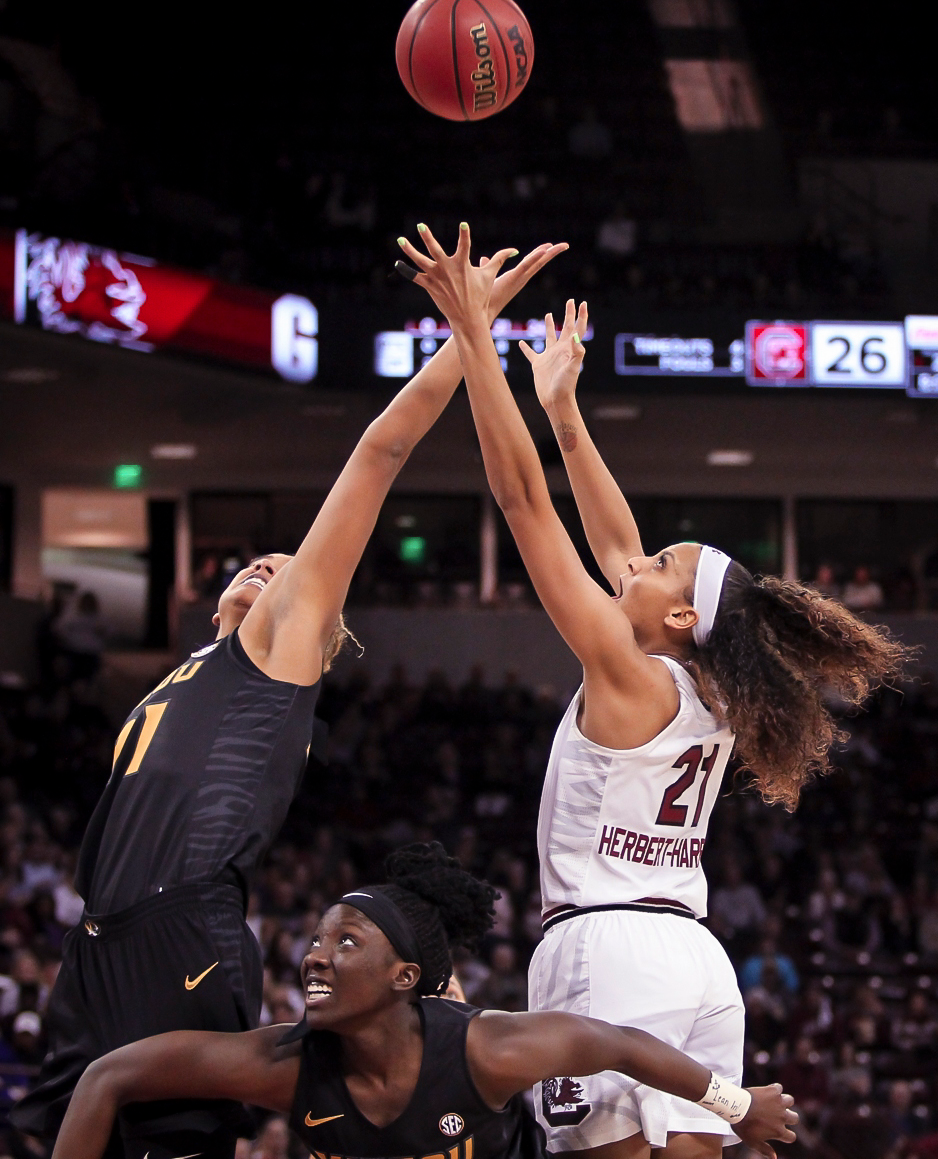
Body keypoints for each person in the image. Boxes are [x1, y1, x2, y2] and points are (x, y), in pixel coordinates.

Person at [13, 241, 569, 1159]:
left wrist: (468, 328)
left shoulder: (278, 653)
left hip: (179, 923)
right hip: (100, 935)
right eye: (260, 563)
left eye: (288, 571)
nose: (271, 569)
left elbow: (378, 452)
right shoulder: (189, 668)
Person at [398, 224, 909, 1159]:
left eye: (662, 566)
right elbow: (617, 547)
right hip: (693, 962)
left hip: (608, 959)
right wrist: (562, 410)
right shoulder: (709, 690)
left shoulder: (629, 673)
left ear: (679, 620)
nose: (637, 562)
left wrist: (472, 332)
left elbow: (522, 503)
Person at [53, 844, 797, 1159]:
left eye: (344, 943)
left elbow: (621, 1046)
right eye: (316, 940)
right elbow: (106, 1078)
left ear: (405, 976)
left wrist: (738, 1107)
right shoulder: (282, 1063)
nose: (313, 954)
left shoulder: (488, 1049)